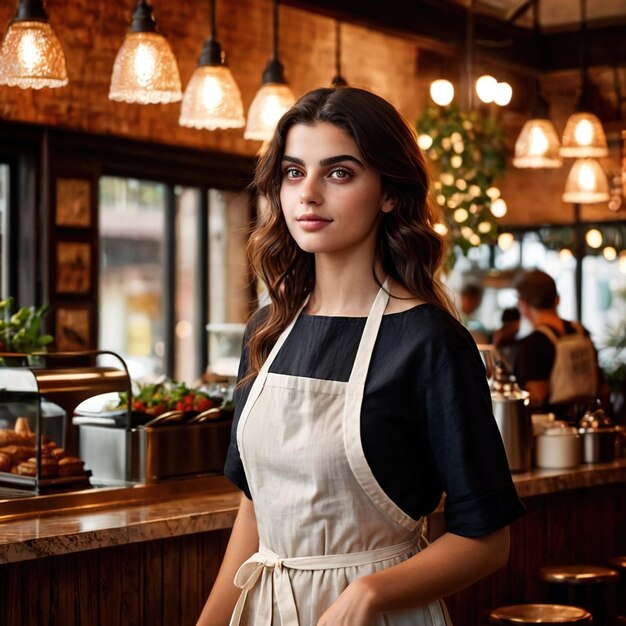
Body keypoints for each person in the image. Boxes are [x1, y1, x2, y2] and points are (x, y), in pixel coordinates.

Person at [196, 87, 524, 626]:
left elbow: (486, 539)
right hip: (265, 611)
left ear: (389, 193)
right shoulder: (266, 330)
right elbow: (257, 510)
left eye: (339, 173)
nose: (309, 195)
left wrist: (368, 594)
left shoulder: (430, 342)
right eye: (294, 172)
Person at [514, 269, 600, 419]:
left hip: (554, 432)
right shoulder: (581, 331)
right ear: (557, 299)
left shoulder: (533, 343)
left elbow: (537, 395)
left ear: (523, 305)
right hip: (589, 421)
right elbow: (602, 387)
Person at [493, 307, 521, 375]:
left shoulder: (516, 342)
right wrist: (495, 346)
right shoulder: (504, 342)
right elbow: (510, 369)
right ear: (516, 323)